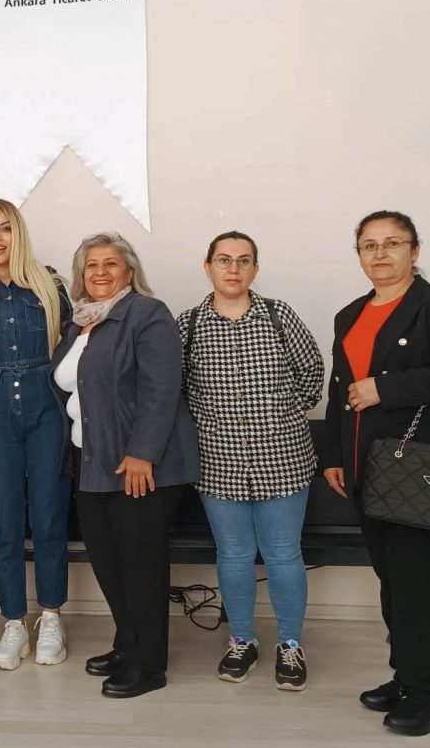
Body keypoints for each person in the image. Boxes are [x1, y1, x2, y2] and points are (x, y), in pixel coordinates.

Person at [321, 210, 430, 736]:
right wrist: (333, 455)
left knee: (419, 587)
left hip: (417, 473)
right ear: (359, 254)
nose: (380, 253)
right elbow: (339, 390)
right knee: (393, 583)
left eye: (392, 243)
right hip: (367, 469)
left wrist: (384, 389)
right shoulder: (349, 314)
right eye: (369, 245)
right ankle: (406, 677)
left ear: (414, 250)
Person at [49, 231, 199, 699]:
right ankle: (128, 644)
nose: (100, 272)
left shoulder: (147, 314)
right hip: (91, 460)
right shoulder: (78, 324)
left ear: (129, 272)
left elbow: (161, 388)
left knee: (140, 564)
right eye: (91, 265)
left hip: (138, 463)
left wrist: (142, 453)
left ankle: (148, 665)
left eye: (110, 264)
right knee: (108, 561)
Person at [178, 231, 324, 690]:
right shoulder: (189, 325)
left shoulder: (280, 316)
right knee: (234, 555)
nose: (234, 268)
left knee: (284, 554)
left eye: (244, 260)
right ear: (208, 267)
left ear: (255, 269)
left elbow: (312, 373)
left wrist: (280, 418)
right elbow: (175, 389)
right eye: (224, 260)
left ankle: (290, 645)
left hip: (283, 459)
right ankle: (241, 640)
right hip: (218, 463)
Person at [0, 199, 72, 670]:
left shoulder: (51, 286)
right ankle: (13, 623)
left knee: (48, 516)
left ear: (18, 233)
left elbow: (78, 351)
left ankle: (51, 618)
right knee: (4, 521)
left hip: (47, 410)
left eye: (5, 228)